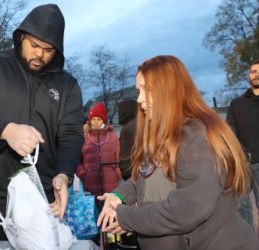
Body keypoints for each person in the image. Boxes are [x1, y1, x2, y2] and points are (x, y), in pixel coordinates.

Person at [97, 55, 259, 249]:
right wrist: (119, 196)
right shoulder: (161, 133)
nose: (139, 99)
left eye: (146, 90)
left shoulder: (197, 136)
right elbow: (146, 175)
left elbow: (188, 208)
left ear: (169, 91)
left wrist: (126, 217)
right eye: (139, 91)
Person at [0, 4, 84, 241]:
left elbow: (72, 135)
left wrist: (64, 174)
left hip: (41, 199)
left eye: (48, 49)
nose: (40, 55)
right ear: (21, 37)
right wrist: (6, 130)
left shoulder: (68, 86)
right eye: (34, 45)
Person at [226, 59, 259, 231]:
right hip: (243, 165)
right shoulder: (237, 104)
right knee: (242, 210)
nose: (256, 75)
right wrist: (240, 155)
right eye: (253, 71)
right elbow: (230, 133)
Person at [76, 102, 121, 198]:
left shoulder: (113, 137)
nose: (96, 122)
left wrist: (117, 174)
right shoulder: (83, 138)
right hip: (89, 186)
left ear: (104, 121)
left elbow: (118, 159)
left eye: (99, 119)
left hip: (111, 185)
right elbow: (76, 160)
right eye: (93, 119)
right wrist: (83, 174)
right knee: (91, 212)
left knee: (110, 212)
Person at [117, 99, 137, 180]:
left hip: (131, 172)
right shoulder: (139, 124)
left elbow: (125, 155)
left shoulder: (127, 129)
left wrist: (125, 172)